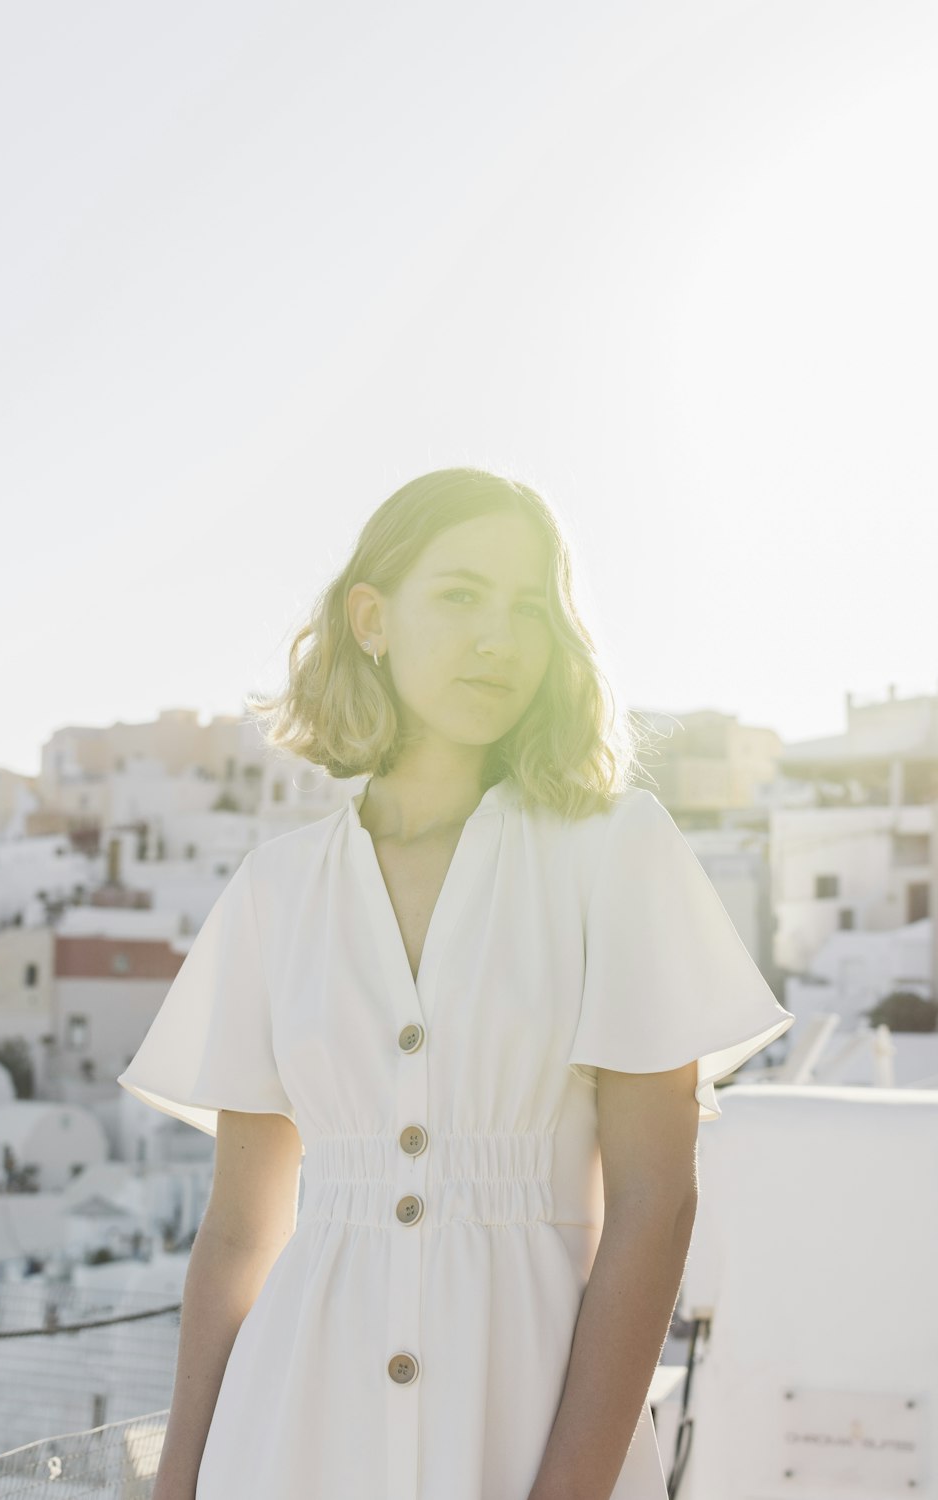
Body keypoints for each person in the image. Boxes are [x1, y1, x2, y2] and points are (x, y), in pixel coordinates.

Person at [117, 467, 795, 1500]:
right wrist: (178, 1486)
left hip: (529, 1430)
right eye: (463, 595)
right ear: (371, 618)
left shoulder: (613, 853)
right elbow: (238, 1234)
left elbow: (655, 1204)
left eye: (530, 607)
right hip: (288, 1436)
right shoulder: (275, 889)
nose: (500, 637)